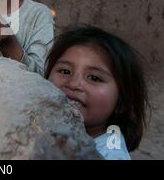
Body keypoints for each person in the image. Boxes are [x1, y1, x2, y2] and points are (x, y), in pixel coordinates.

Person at [44, 25, 148, 159]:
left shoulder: (109, 156)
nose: (74, 84)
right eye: (65, 71)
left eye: (94, 78)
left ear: (121, 103)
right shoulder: (44, 127)